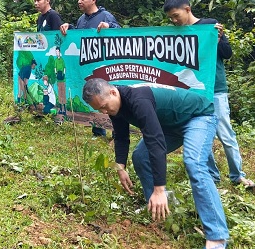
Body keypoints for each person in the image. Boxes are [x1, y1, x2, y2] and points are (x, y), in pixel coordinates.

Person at [82, 79, 229, 249]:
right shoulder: (116, 106)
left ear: (113, 92)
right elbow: (121, 136)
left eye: (104, 106)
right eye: (99, 109)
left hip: (198, 117)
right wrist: (120, 167)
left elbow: (155, 141)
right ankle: (157, 207)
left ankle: (217, 236)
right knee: (140, 156)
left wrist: (159, 188)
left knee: (194, 162)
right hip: (169, 125)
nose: (104, 111)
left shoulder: (138, 100)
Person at [163, 0, 255, 189]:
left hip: (215, 88)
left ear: (187, 9)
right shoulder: (175, 33)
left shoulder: (210, 25)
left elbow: (227, 54)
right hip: (190, 91)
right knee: (201, 133)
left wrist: (220, 38)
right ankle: (212, 175)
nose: (174, 20)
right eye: (170, 18)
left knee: (225, 133)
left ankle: (237, 175)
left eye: (176, 15)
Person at [60, 0, 121, 135]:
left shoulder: (105, 16)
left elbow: (120, 33)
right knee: (95, 97)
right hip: (88, 66)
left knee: (108, 98)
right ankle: (98, 131)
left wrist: (109, 26)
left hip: (105, 65)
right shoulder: (82, 19)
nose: (79, 1)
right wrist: (69, 27)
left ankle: (116, 132)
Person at [53, 46, 67, 115]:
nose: (57, 53)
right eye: (56, 52)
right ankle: (61, 109)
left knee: (63, 94)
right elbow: (55, 68)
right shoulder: (56, 61)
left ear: (59, 52)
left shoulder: (62, 60)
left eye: (57, 52)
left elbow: (64, 67)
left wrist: (63, 74)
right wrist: (56, 74)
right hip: (58, 79)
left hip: (62, 79)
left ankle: (64, 109)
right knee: (59, 94)